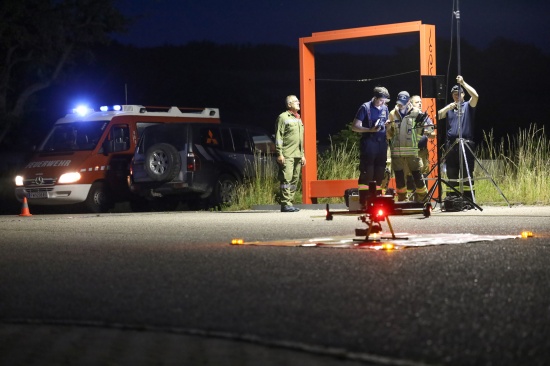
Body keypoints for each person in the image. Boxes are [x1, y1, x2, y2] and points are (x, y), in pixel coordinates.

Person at [438, 75, 479, 201]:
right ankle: (452, 198)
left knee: (466, 172)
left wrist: (463, 83)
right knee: (451, 172)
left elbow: (476, 96)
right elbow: (438, 116)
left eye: (459, 93)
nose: (457, 96)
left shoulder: (468, 106)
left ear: (463, 95)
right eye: (455, 94)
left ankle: (468, 199)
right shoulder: (450, 108)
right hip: (451, 144)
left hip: (466, 144)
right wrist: (448, 107)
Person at [351, 86, 390, 205]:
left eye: (385, 101)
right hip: (369, 143)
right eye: (381, 100)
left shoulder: (385, 108)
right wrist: (369, 130)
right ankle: (364, 200)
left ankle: (377, 199)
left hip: (382, 144)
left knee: (380, 171)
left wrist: (388, 125)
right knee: (368, 172)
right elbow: (355, 126)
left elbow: (387, 124)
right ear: (375, 97)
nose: (382, 103)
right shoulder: (365, 107)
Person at [386, 91, 428, 202]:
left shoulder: (416, 113)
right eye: (399, 102)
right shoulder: (392, 113)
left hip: (411, 151)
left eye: (403, 103)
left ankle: (423, 198)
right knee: (399, 177)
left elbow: (421, 131)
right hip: (397, 152)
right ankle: (402, 198)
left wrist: (415, 142)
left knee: (417, 176)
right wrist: (388, 127)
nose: (401, 105)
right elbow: (390, 135)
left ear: (408, 101)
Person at [275, 95, 305, 212]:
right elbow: (279, 136)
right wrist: (280, 153)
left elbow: (300, 139)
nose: (299, 103)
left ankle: (290, 202)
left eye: (298, 101)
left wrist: (303, 154)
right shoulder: (283, 117)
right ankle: (285, 203)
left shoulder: (298, 118)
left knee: (294, 179)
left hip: (297, 154)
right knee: (286, 179)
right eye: (296, 101)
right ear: (289, 105)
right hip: (287, 154)